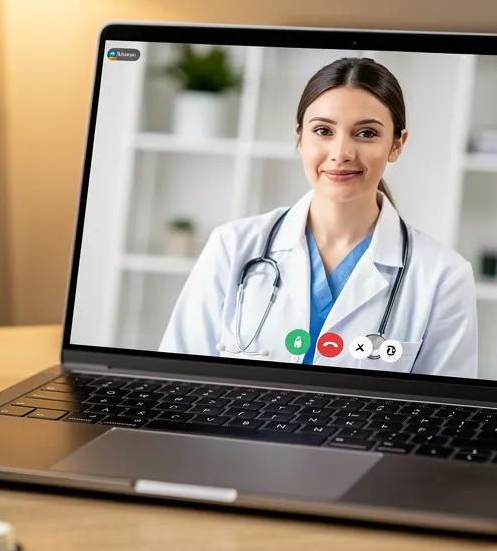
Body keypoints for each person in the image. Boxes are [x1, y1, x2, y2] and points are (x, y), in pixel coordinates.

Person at [160, 57, 478, 377]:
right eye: (323, 130)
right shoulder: (233, 246)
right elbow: (176, 378)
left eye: (366, 133)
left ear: (397, 144)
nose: (341, 153)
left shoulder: (443, 276)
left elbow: (445, 415)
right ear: (300, 138)